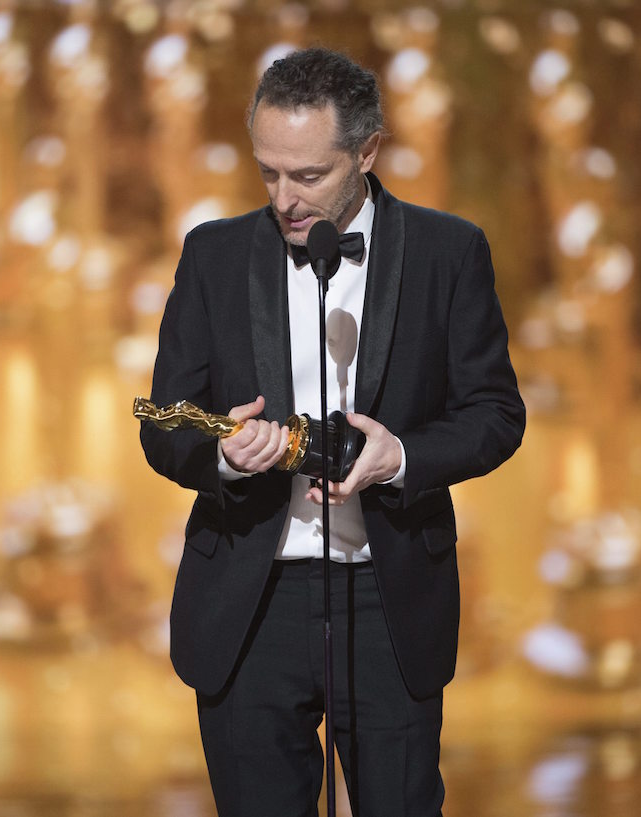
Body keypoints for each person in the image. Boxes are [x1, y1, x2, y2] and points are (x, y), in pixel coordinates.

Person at [140, 47, 525, 817]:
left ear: (367, 151)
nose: (284, 198)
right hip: (251, 601)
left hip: (389, 599)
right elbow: (164, 426)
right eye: (268, 172)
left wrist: (404, 456)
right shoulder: (212, 255)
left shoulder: (450, 253)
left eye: (308, 175)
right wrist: (224, 456)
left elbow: (496, 413)